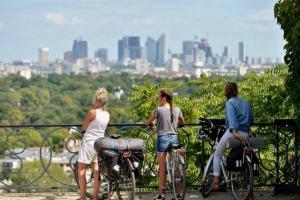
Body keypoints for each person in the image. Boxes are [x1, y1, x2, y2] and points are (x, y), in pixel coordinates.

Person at [212, 82, 254, 194]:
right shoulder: (245, 102)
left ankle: (215, 181)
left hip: (234, 134)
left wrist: (234, 132)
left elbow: (232, 118)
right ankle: (241, 182)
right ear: (236, 90)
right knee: (238, 154)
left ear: (226, 92)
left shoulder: (230, 103)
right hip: (245, 134)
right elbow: (251, 119)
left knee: (217, 154)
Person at [145, 89, 185, 200]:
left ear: (164, 98)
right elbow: (182, 122)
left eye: (158, 97)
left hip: (162, 139)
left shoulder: (158, 110)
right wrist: (176, 124)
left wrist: (150, 123)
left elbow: (148, 122)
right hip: (174, 138)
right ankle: (178, 193)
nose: (158, 99)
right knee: (176, 165)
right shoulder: (177, 110)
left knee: (162, 168)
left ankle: (161, 195)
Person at [77, 88, 110, 200]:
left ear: (97, 100)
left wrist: (83, 133)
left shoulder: (92, 112)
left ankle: (82, 197)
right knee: (96, 170)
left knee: (81, 170)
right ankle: (95, 197)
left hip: (89, 143)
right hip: (100, 144)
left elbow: (84, 127)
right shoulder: (107, 114)